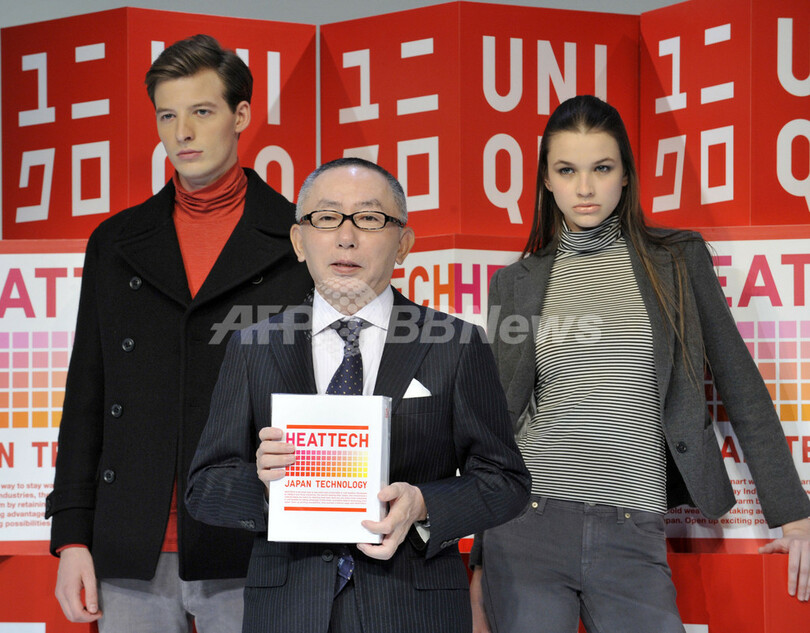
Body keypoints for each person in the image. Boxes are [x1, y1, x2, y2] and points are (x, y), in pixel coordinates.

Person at [469, 95, 810, 633]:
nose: (585, 188)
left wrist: (796, 518)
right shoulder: (513, 283)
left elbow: (740, 385)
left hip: (635, 526)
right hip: (528, 525)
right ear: (546, 180)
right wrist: (480, 559)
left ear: (625, 174)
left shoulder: (676, 260)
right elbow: (498, 426)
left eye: (602, 168)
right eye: (567, 170)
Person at [185, 156, 531, 633]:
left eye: (369, 218)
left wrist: (423, 504)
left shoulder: (454, 343)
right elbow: (204, 487)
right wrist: (264, 487)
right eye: (327, 218)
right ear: (299, 241)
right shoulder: (254, 346)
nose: (346, 237)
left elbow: (506, 481)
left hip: (413, 609)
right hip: (288, 610)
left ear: (403, 243)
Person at [44, 34, 312, 631]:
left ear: (241, 115)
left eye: (202, 111)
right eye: (167, 115)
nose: (182, 132)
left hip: (254, 538)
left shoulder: (300, 241)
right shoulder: (115, 243)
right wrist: (72, 537)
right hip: (130, 545)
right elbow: (87, 393)